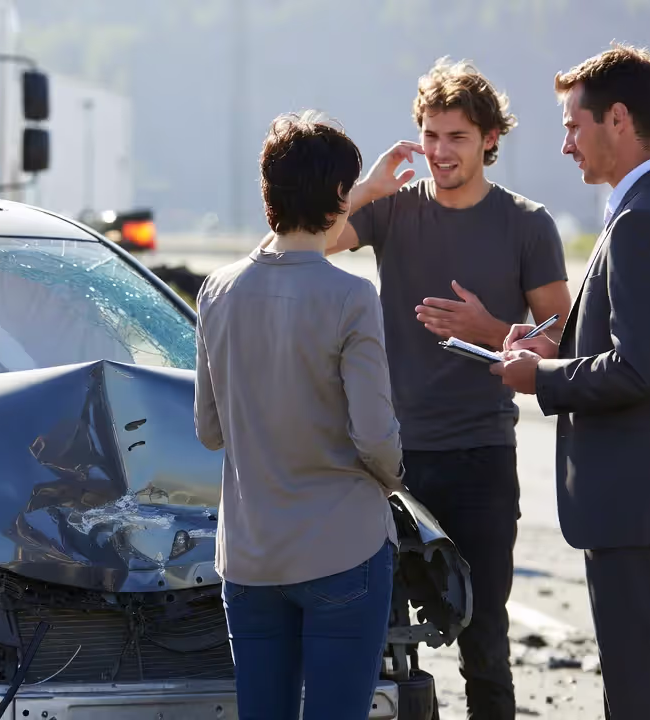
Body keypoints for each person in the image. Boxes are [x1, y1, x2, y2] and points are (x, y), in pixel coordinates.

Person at [322, 58, 572, 719]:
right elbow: (307, 243)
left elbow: (559, 342)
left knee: (484, 645)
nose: (439, 151)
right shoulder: (392, 213)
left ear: (490, 139)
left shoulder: (527, 224)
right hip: (389, 463)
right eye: (430, 135)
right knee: (375, 644)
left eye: (456, 137)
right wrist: (368, 188)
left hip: (481, 460)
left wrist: (492, 330)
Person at [493, 44, 650, 720]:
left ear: (618, 119)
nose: (565, 145)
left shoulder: (642, 221)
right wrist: (560, 346)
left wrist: (542, 376)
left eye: (571, 125)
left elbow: (642, 367)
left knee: (648, 701)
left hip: (637, 510)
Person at [195, 111, 404, 720]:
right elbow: (375, 435)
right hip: (344, 546)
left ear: (268, 193)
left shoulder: (217, 291)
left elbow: (209, 431)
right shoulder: (351, 296)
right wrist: (395, 477)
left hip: (250, 555)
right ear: (341, 197)